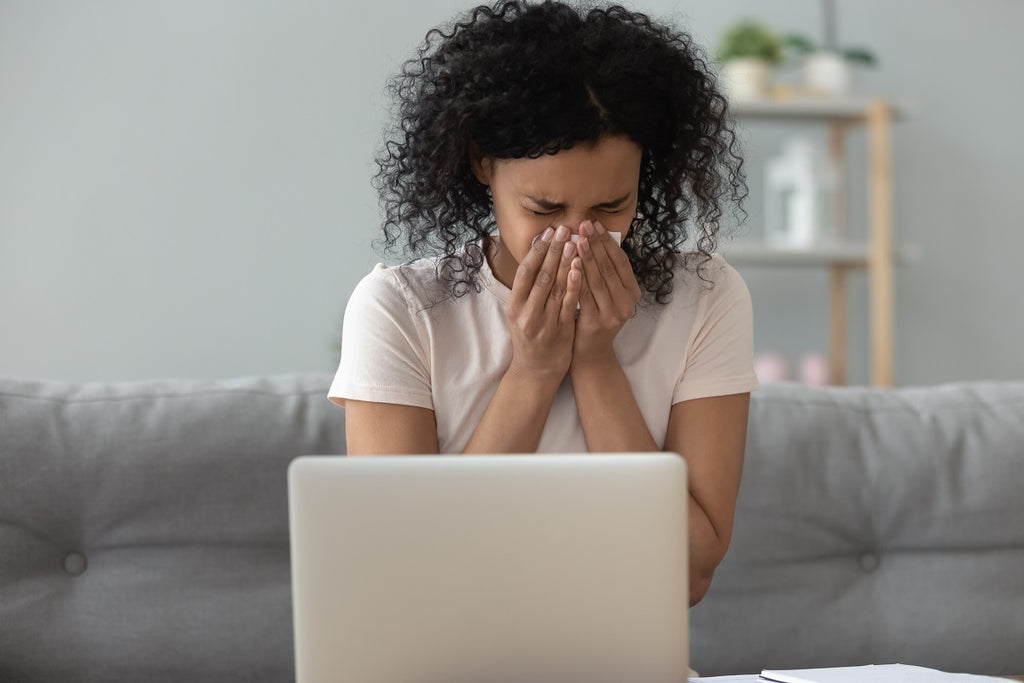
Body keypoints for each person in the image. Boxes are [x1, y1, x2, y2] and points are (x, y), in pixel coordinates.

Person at [329, 0, 758, 606]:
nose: (579, 236)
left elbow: (691, 567)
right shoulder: (400, 310)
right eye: (545, 210)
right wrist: (532, 370)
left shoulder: (705, 296)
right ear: (482, 164)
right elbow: (409, 570)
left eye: (612, 207)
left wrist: (595, 362)